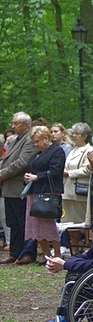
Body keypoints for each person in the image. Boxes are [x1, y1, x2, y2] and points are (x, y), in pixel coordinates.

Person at [0, 112, 39, 265]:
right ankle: (15, 253)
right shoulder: (16, 139)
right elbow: (8, 160)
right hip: (10, 188)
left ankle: (28, 253)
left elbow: (22, 162)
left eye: (16, 123)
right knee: (13, 223)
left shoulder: (29, 139)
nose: (13, 126)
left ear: (26, 124)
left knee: (24, 222)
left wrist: (2, 174)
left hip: (20, 188)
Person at [23, 126, 66, 263]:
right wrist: (28, 177)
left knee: (48, 225)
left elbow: (56, 171)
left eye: (37, 141)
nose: (36, 145)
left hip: (48, 193)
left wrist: (37, 177)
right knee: (36, 226)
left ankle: (57, 255)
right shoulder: (37, 154)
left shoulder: (57, 152)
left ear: (46, 138)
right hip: (34, 193)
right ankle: (47, 256)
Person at [61, 123, 93, 249]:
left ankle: (87, 247)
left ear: (85, 136)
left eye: (77, 133)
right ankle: (74, 248)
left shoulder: (89, 150)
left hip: (79, 191)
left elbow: (88, 170)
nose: (74, 136)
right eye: (73, 133)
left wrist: (69, 173)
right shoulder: (73, 150)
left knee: (83, 221)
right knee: (69, 222)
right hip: (67, 190)